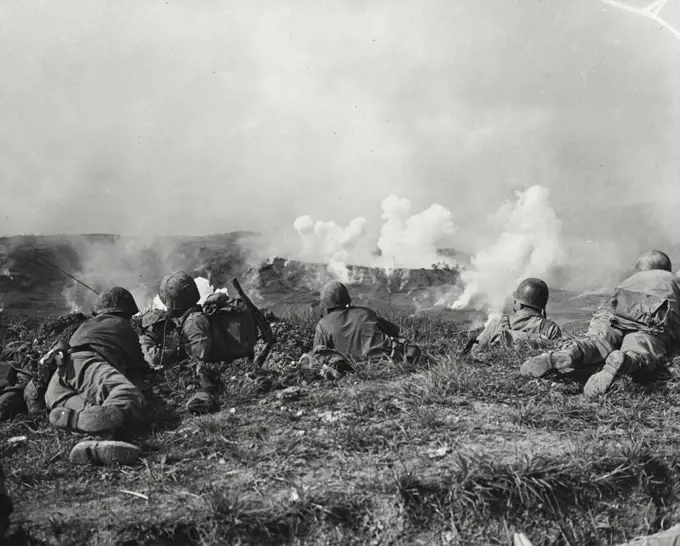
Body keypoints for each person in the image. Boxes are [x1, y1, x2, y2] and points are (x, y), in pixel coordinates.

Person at [521, 250, 680, 397]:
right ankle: (626, 361)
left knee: (599, 340)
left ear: (639, 270)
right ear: (667, 268)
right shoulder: (672, 280)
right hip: (653, 313)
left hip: (617, 309)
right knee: (642, 345)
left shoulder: (631, 280)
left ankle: (569, 352)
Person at [43, 286, 145, 464]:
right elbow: (139, 365)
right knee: (127, 395)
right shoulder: (121, 325)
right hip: (86, 365)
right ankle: (102, 430)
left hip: (57, 384)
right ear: (124, 312)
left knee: (100, 412)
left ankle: (96, 442)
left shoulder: (85, 325)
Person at [311, 280, 421, 366]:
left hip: (350, 364)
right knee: (408, 344)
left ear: (325, 305)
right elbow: (394, 331)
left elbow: (318, 353)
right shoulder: (365, 313)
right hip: (384, 358)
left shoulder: (322, 325)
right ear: (347, 299)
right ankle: (408, 363)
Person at [468, 278, 562, 359]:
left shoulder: (499, 323)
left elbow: (475, 350)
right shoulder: (551, 329)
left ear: (518, 303)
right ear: (542, 305)